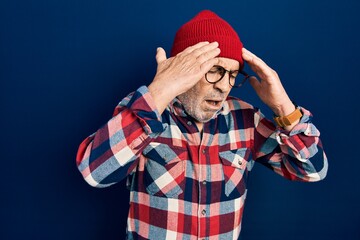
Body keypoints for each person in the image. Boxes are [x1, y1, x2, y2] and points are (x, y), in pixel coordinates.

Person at [76, 10, 328, 240]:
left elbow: (312, 171)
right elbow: (94, 172)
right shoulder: (144, 111)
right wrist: (161, 89)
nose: (223, 85)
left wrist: (283, 107)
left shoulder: (245, 119)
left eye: (231, 75)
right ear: (184, 69)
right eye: (215, 70)